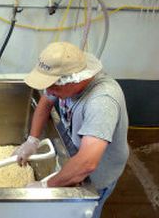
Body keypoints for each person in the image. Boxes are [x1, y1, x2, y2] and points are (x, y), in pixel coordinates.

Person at [13, 41, 129, 218]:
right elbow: (45, 102)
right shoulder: (62, 83)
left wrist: (46, 187)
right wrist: (32, 140)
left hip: (98, 171)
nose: (49, 90)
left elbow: (87, 163)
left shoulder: (102, 101)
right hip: (79, 152)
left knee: (85, 212)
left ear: (74, 80)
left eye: (53, 87)